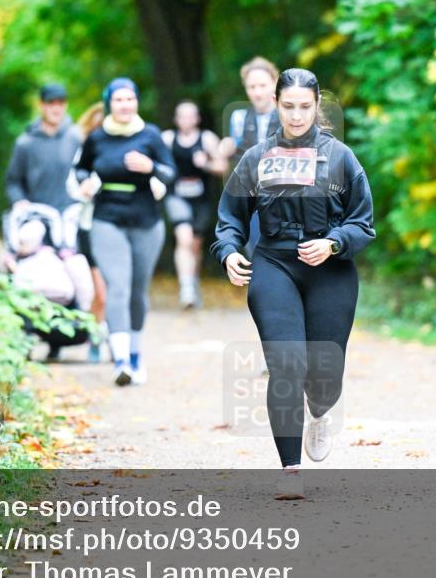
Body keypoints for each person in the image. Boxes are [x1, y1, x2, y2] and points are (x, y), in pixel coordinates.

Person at [211, 68, 375, 500]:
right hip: (274, 266)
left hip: (331, 271)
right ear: (276, 105)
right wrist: (228, 251)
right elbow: (229, 218)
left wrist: (335, 242)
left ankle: (320, 412)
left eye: (305, 107)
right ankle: (290, 471)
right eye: (289, 107)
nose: (297, 116)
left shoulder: (341, 157)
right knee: (286, 364)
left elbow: (364, 223)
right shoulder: (256, 159)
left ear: (317, 106)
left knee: (324, 376)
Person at [74, 78, 176, 386]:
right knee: (117, 286)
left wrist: (151, 168)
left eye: (130, 99)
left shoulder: (151, 135)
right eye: (118, 100)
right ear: (109, 104)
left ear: (136, 102)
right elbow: (81, 167)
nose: (124, 105)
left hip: (146, 220)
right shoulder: (98, 137)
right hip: (107, 219)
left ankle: (134, 355)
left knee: (136, 290)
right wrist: (86, 181)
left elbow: (170, 173)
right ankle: (119, 360)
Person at [5, 84, 95, 342]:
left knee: (77, 275)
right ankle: (28, 336)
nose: (56, 108)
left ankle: (76, 333)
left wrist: (87, 185)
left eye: (61, 102)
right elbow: (13, 181)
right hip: (38, 221)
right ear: (42, 105)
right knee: (34, 278)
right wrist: (19, 201)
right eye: (51, 103)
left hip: (72, 219)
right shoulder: (26, 143)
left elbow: (87, 170)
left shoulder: (76, 138)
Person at [161, 101, 227, 309]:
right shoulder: (168, 139)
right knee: (184, 238)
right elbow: (156, 163)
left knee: (194, 246)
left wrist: (205, 163)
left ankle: (192, 283)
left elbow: (222, 167)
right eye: (182, 116)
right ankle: (186, 289)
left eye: (191, 116)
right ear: (176, 119)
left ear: (197, 119)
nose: (186, 120)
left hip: (200, 200)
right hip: (176, 197)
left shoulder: (207, 139)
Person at [217, 57, 281, 260]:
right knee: (257, 253)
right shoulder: (239, 117)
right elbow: (231, 147)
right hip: (252, 198)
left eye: (262, 85)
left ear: (275, 84)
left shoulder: (290, 115)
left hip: (286, 197)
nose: (257, 92)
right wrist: (224, 147)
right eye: (252, 87)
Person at [73, 102, 110, 363]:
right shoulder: (81, 156)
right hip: (88, 226)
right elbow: (70, 187)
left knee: (114, 290)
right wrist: (84, 188)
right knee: (99, 291)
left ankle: (112, 337)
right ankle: (96, 338)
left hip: (117, 225)